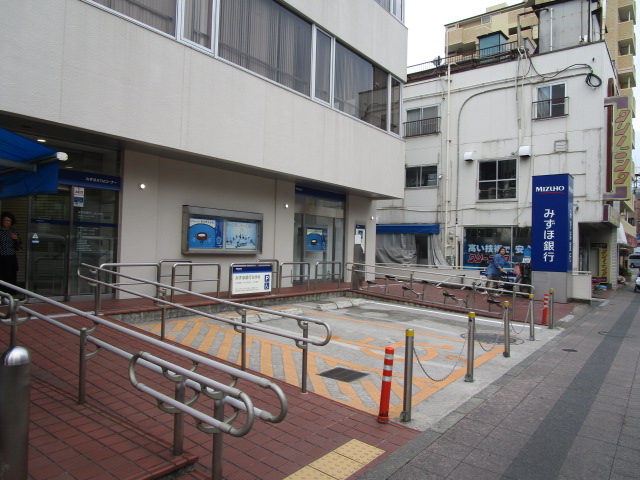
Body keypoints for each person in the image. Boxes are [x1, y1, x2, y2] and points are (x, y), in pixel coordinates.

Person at [0, 211, 21, 296]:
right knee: (1, 277)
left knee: (11, 277)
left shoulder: (13, 231)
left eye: (9, 221)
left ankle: (11, 296)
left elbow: (19, 244)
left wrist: (16, 238)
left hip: (11, 257)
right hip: (1, 257)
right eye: (6, 220)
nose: (7, 222)